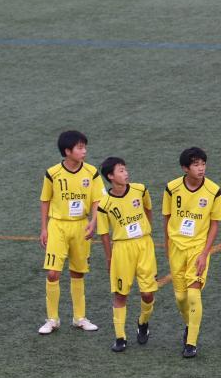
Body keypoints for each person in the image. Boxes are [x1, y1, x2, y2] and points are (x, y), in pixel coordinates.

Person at [39, 130, 104, 335]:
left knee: (78, 271)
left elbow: (97, 200)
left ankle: (79, 318)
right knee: (53, 273)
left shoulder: (92, 172)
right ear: (68, 151)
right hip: (57, 225)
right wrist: (44, 228)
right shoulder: (52, 173)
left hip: (80, 226)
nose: (84, 151)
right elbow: (45, 200)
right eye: (80, 148)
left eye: (84, 147)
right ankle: (52, 319)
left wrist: (93, 222)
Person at [163, 147, 221, 358]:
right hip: (177, 247)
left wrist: (205, 253)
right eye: (196, 165)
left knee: (194, 293)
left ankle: (191, 342)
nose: (201, 168)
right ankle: (190, 324)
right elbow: (167, 217)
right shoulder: (172, 188)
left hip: (197, 248)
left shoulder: (214, 191)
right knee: (181, 297)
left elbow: (214, 224)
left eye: (203, 164)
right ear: (185, 168)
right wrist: (167, 246)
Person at [97, 157, 156, 354]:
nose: (126, 173)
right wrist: (109, 258)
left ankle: (143, 322)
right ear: (111, 176)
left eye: (125, 169)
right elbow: (104, 234)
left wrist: (147, 230)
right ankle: (120, 337)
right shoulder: (104, 204)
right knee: (120, 294)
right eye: (121, 171)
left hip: (144, 245)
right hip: (121, 249)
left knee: (147, 293)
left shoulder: (140, 190)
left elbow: (148, 209)